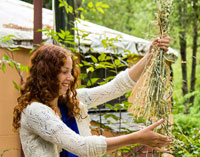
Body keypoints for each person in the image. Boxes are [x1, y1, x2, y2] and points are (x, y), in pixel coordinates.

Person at [13, 37, 172, 157]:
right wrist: (137, 137)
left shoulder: (70, 101)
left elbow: (116, 87)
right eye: (64, 72)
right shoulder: (35, 112)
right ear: (46, 74)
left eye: (70, 71)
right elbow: (81, 146)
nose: (70, 77)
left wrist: (150, 55)